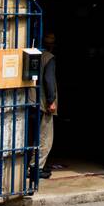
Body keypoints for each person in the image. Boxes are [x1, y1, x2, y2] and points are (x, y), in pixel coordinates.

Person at [38, 33, 58, 179]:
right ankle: (37, 168)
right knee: (45, 137)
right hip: (44, 104)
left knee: (34, 136)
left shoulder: (33, 55)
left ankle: (34, 166)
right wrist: (51, 101)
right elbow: (49, 80)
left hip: (32, 102)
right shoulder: (48, 58)